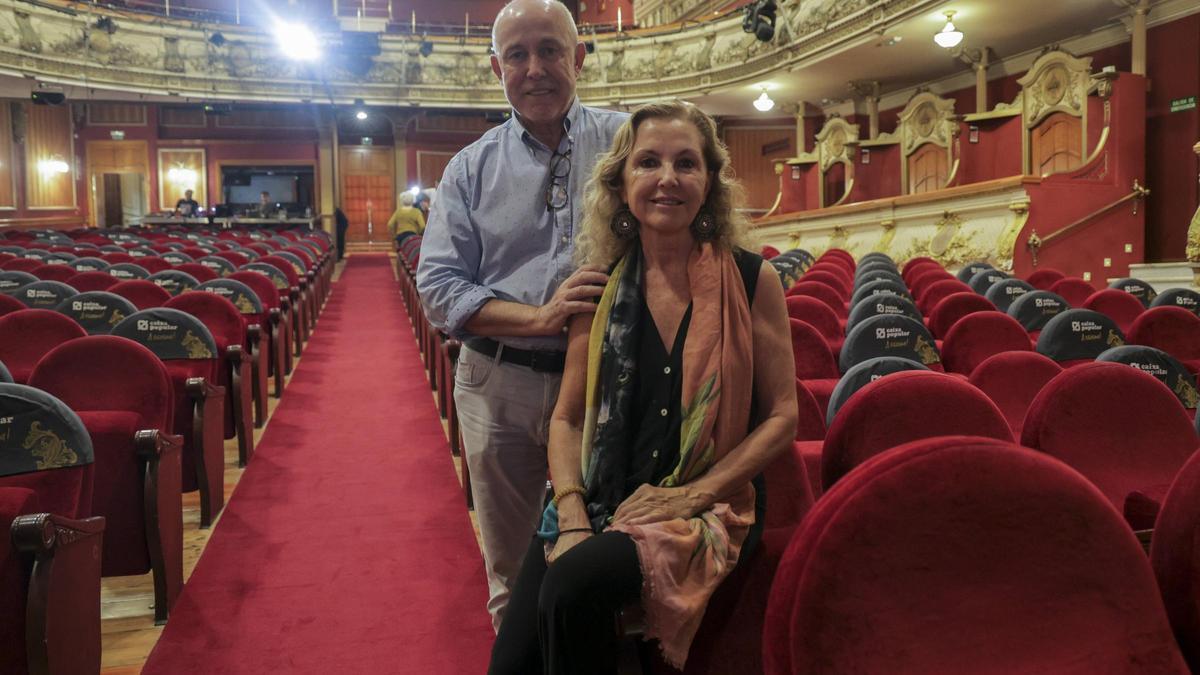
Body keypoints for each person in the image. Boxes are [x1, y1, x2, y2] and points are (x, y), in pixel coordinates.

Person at [489, 101, 797, 674]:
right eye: (648, 162)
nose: (667, 179)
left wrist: (693, 494)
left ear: (708, 183)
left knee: (572, 586)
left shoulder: (754, 280)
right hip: (601, 496)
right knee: (508, 666)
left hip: (706, 504)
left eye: (686, 163)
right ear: (621, 182)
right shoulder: (596, 287)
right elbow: (567, 421)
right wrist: (575, 513)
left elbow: (783, 415)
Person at [416, 0, 627, 632]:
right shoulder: (469, 168)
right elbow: (438, 288)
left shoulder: (630, 142)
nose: (535, 68)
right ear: (495, 68)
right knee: (509, 564)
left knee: (606, 547)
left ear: (579, 57)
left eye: (550, 50)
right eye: (517, 55)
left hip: (606, 381)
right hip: (497, 383)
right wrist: (540, 318)